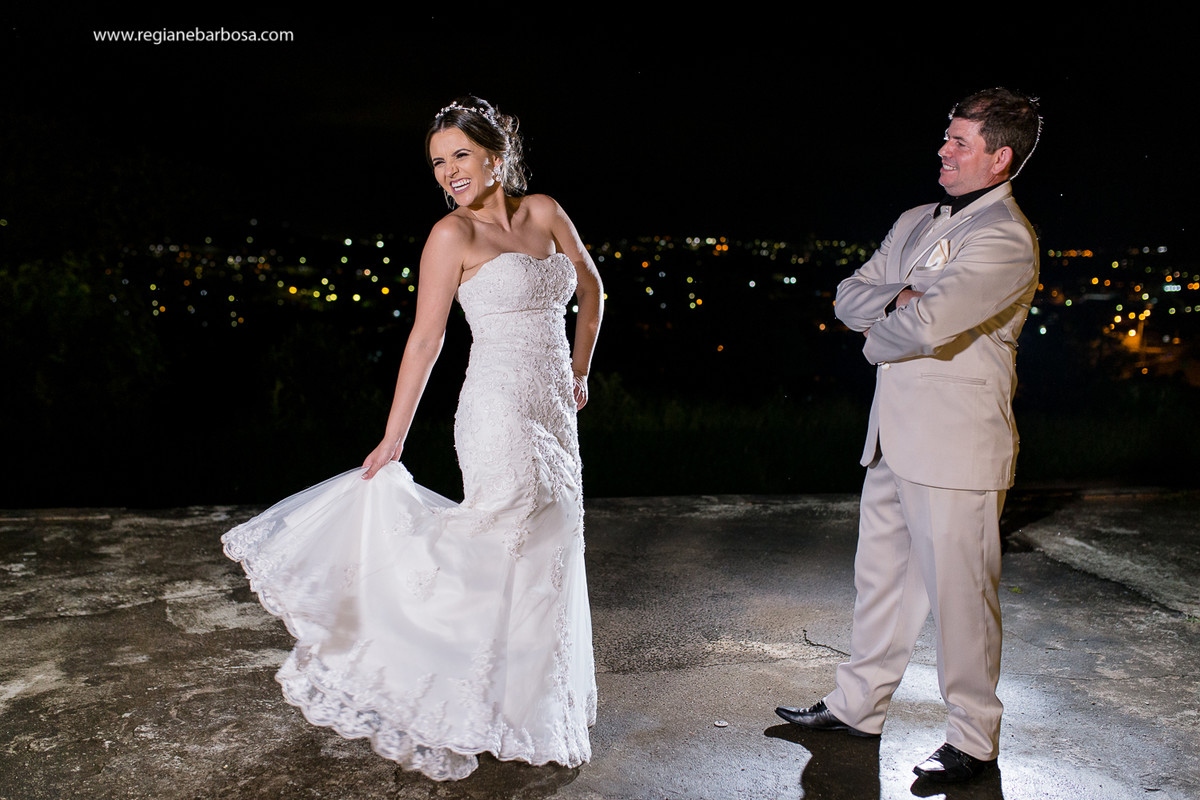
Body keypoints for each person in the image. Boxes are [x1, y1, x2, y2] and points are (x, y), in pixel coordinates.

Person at [222, 95, 604, 782]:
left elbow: (592, 288)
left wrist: (579, 370)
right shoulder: (449, 236)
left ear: (495, 156)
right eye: (437, 163)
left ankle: (518, 706)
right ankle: (410, 650)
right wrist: (393, 436)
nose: (449, 171)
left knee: (551, 542)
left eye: (460, 155)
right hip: (497, 411)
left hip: (554, 410)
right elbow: (426, 340)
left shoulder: (545, 211)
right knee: (501, 531)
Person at [775, 87, 1043, 784]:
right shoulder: (915, 219)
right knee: (881, 583)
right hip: (892, 438)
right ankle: (857, 707)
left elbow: (927, 326)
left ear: (1000, 157)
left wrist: (885, 327)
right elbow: (849, 295)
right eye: (946, 136)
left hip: (957, 449)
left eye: (959, 141)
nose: (942, 150)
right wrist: (899, 298)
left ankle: (973, 741)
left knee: (961, 600)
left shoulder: (1005, 237)